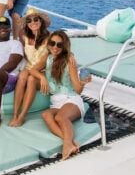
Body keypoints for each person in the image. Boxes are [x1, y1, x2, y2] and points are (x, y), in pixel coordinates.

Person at [29, 30, 91, 160]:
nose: (55, 47)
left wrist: (83, 83)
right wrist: (42, 77)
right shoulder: (47, 57)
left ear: (64, 47)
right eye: (52, 43)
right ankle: (70, 142)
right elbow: (33, 69)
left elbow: (77, 90)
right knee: (46, 115)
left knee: (60, 118)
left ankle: (66, 146)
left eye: (59, 45)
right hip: (56, 101)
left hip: (71, 99)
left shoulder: (69, 60)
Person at [9, 8, 51, 127]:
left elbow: (44, 61)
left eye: (36, 19)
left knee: (31, 79)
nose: (33, 22)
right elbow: (25, 54)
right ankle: (15, 114)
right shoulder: (24, 35)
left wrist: (39, 75)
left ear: (41, 21)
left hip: (43, 70)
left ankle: (22, 116)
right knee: (22, 76)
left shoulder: (49, 38)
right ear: (26, 23)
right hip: (30, 67)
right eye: (29, 20)